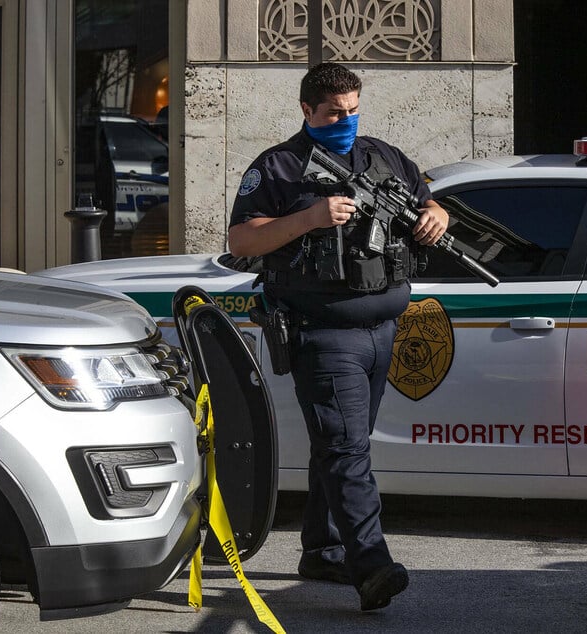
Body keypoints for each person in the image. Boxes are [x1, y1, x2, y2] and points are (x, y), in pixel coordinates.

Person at [228, 62, 448, 611]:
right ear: (307, 110)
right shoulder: (277, 167)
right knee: (346, 448)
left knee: (344, 445)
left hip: (382, 327)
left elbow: (428, 197)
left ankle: (323, 549)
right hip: (324, 334)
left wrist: (436, 215)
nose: (346, 120)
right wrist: (310, 218)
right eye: (334, 112)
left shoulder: (383, 155)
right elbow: (242, 240)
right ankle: (370, 565)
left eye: (353, 110)